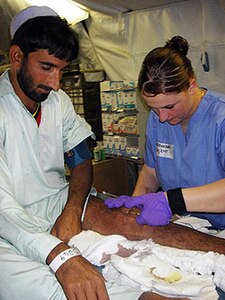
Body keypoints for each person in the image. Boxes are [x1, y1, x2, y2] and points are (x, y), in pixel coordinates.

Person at [0, 6, 147, 300]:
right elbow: (5, 209)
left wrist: (71, 208)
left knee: (129, 222)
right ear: (17, 56)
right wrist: (59, 254)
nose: (56, 83)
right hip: (8, 221)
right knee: (49, 288)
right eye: (46, 67)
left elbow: (80, 159)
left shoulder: (58, 100)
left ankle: (215, 258)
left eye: (62, 71)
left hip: (55, 203)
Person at [105, 36, 225, 230]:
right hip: (186, 225)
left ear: (191, 86)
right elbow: (151, 171)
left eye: (170, 106)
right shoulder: (158, 119)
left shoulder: (220, 119)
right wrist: (136, 206)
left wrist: (170, 201)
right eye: (153, 109)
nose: (162, 117)